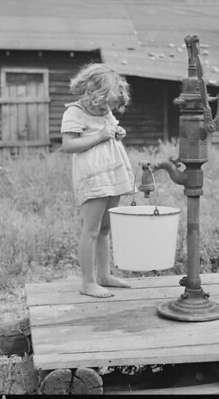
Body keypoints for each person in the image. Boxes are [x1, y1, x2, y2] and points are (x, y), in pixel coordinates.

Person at [61, 63, 135, 298]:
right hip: (92, 177)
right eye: (109, 103)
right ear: (96, 95)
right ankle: (87, 282)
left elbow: (110, 129)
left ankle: (104, 275)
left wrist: (117, 132)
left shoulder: (105, 112)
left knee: (105, 228)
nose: (110, 109)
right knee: (91, 230)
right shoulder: (74, 112)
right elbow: (68, 145)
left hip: (112, 174)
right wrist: (101, 136)